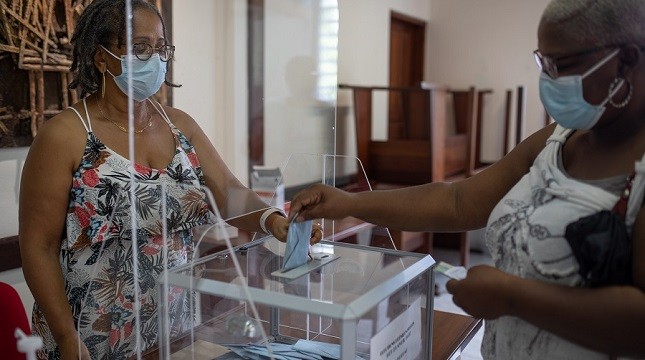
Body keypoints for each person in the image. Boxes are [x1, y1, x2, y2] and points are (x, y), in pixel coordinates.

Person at [288, 0, 645, 358]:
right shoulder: (559, 138)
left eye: (562, 66)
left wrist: (511, 297)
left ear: (627, 60)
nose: (548, 80)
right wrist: (349, 203)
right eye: (543, 63)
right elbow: (458, 202)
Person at [18, 1, 321, 359]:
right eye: (140, 48)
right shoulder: (65, 135)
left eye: (161, 48)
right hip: (88, 332)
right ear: (101, 58)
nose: (155, 58)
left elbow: (229, 194)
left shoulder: (181, 125)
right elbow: (38, 247)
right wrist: (67, 337)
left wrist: (273, 221)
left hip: (173, 323)